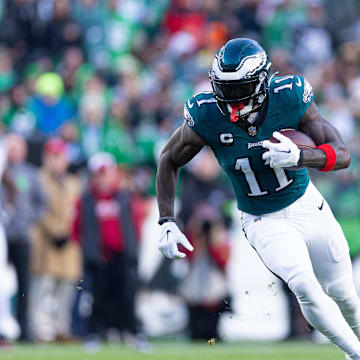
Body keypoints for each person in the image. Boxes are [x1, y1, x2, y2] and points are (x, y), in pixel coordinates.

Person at [156, 38, 360, 360]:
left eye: (239, 89)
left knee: (344, 294)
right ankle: (354, 353)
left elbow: (343, 155)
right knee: (304, 286)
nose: (230, 99)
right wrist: (167, 220)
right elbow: (169, 159)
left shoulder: (290, 96)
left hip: (306, 205)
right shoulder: (207, 114)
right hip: (262, 220)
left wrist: (300, 156)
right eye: (224, 88)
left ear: (262, 81)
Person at [72, 152, 148, 351]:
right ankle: (94, 334)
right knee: (96, 299)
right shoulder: (87, 199)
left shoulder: (124, 197)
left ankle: (133, 333)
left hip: (122, 256)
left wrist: (133, 251)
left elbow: (135, 225)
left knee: (127, 297)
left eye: (105, 174)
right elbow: (77, 227)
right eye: (99, 174)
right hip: (98, 258)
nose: (103, 179)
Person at [29, 137, 81, 342]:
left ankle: (61, 329)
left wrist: (69, 231)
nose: (57, 161)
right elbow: (36, 209)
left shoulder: (73, 182)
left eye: (60, 157)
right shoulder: (38, 179)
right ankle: (40, 331)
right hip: (46, 243)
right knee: (43, 288)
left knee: (66, 291)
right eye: (54, 156)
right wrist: (56, 230)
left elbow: (77, 211)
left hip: (69, 244)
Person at [2, 133, 46, 341]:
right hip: (1, 236)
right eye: (10, 147)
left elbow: (41, 203)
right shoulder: (2, 172)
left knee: (24, 285)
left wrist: (28, 220)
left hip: (21, 237)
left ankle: (23, 330)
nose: (13, 151)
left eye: (17, 147)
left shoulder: (30, 173)